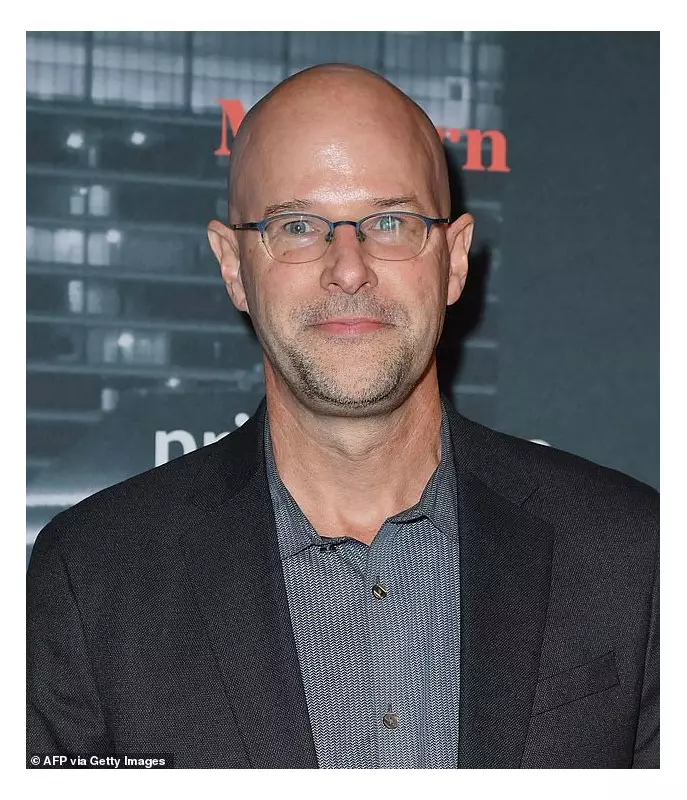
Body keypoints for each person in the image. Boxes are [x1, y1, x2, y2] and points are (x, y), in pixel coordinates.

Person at [27, 64, 659, 769]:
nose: (349, 268)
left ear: (454, 261)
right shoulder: (94, 578)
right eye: (297, 226)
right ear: (233, 266)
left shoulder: (634, 556)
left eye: (390, 222)